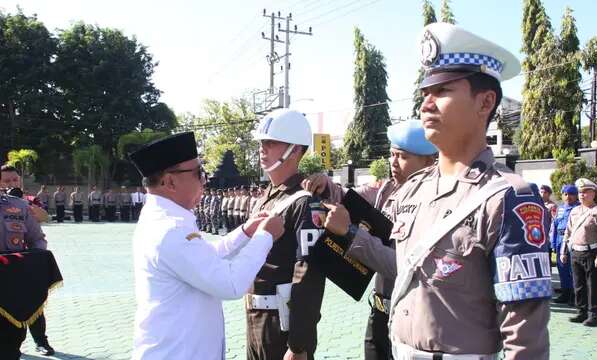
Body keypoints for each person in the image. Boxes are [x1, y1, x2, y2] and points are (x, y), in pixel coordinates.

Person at [387, 22, 551, 359]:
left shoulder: (509, 198)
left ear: (485, 102)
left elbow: (525, 335)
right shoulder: (411, 191)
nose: (426, 105)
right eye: (424, 94)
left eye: (443, 91)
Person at [129, 131, 285, 359]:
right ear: (169, 181)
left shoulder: (165, 219)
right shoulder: (170, 229)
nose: (205, 179)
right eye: (198, 173)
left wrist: (244, 232)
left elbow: (204, 258)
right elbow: (230, 283)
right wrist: (265, 236)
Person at [303, 119, 437, 360]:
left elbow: (403, 266)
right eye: (392, 154)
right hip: (378, 314)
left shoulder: (435, 204)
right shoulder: (387, 190)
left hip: (412, 318)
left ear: (429, 161)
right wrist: (326, 187)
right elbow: (350, 199)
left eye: (403, 157)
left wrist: (351, 234)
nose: (393, 162)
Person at [248, 109, 327, 360]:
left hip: (283, 327)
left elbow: (309, 276)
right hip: (256, 320)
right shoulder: (267, 196)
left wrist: (298, 344)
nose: (263, 148)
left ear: (294, 150)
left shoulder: (305, 201)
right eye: (262, 142)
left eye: (270, 142)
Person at [0, 171, 53, 358]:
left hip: (13, 285)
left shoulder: (19, 206)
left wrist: (32, 264)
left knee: (10, 342)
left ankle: (40, 341)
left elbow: (37, 239)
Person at [559, 178, 597, 327]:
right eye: (580, 192)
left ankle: (593, 316)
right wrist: (563, 252)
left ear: (593, 193)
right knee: (578, 285)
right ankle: (581, 312)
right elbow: (567, 233)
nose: (582, 195)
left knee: (592, 286)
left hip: (591, 253)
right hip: (576, 252)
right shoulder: (575, 211)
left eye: (586, 192)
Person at [550, 184, 580, 304]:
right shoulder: (560, 208)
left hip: (572, 240)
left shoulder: (579, 208)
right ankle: (565, 293)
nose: (568, 197)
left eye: (571, 194)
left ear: (576, 195)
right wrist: (552, 242)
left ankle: (574, 295)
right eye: (565, 194)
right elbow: (555, 225)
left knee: (572, 270)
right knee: (561, 268)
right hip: (559, 240)